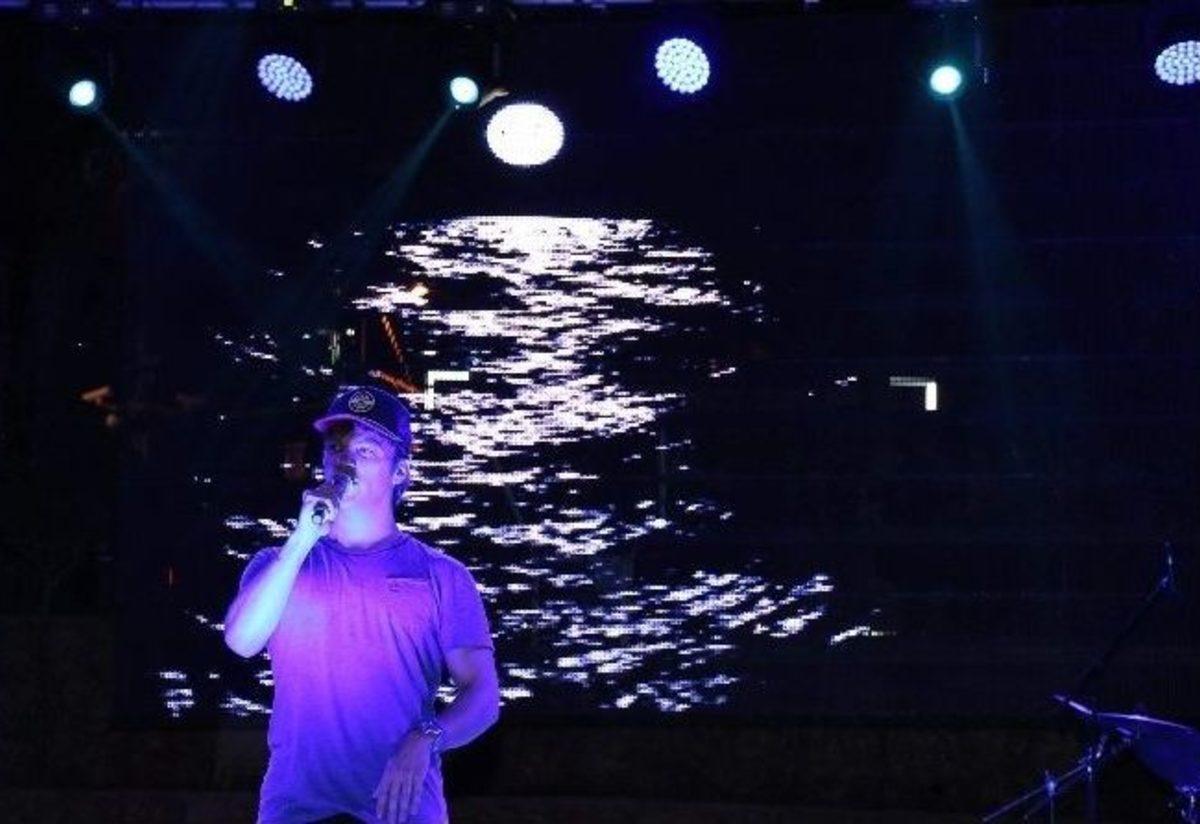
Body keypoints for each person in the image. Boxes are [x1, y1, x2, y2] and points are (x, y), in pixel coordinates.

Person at [224, 385, 499, 824]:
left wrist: (428, 736)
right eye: (337, 448)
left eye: (366, 451)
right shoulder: (279, 564)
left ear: (400, 471)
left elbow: (482, 695)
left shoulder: (441, 575)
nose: (345, 461)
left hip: (402, 812)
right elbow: (241, 641)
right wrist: (300, 542)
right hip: (297, 811)